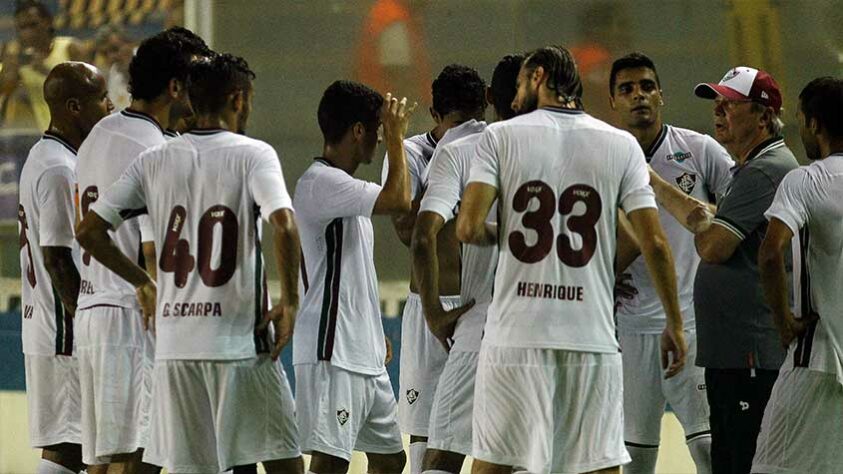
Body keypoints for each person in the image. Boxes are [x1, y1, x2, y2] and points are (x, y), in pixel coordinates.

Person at [456, 45, 687, 474]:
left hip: (515, 337)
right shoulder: (620, 145)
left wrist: (507, 235)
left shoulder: (500, 137)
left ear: (539, 77)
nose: (515, 96)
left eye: (522, 83)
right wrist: (673, 322)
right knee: (598, 465)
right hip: (591, 340)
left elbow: (467, 228)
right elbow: (652, 241)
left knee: (494, 465)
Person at [75, 52, 304, 474]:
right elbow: (285, 224)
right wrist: (290, 303)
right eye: (249, 98)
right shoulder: (253, 154)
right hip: (238, 345)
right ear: (238, 99)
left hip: (176, 348)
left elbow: (88, 230)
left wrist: (142, 281)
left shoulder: (154, 159)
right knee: (283, 462)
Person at [73, 27, 210, 474]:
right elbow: (154, 245)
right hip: (133, 316)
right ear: (174, 87)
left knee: (105, 460)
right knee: (138, 457)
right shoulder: (155, 149)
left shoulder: (100, 133)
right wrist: (147, 284)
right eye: (194, 81)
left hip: (94, 309)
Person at [608, 52, 734, 474]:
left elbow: (741, 215)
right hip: (627, 330)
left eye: (646, 86)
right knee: (635, 461)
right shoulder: (602, 158)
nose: (638, 96)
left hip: (692, 324)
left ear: (661, 94)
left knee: (708, 450)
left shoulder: (699, 150)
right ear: (613, 102)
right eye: (626, 89)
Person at [668, 66, 798, 474]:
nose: (719, 111)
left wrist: (652, 184)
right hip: (737, 353)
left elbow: (713, 247)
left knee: (742, 460)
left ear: (762, 115)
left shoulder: (763, 169)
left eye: (731, 104)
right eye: (717, 103)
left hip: (750, 355)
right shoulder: (752, 168)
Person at [292, 81, 413, 474]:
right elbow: (399, 199)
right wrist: (399, 139)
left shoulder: (345, 190)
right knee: (330, 463)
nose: (380, 140)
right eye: (377, 131)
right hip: (333, 352)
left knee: (391, 460)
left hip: (362, 350)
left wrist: (373, 330)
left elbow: (352, 273)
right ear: (358, 131)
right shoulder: (320, 182)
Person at [411, 53, 521, 474]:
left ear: (493, 97)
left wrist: (435, 313)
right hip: (545, 324)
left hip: (482, 325)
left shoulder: (461, 149)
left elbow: (423, 235)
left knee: (442, 455)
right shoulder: (560, 149)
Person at [383, 63, 487, 474]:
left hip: (476, 306)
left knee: (489, 435)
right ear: (435, 118)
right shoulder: (411, 152)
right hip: (431, 306)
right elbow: (408, 232)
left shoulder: (495, 145)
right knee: (426, 442)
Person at [18, 61, 111, 474]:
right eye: (101, 99)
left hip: (48, 328)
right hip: (63, 331)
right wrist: (84, 322)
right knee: (74, 447)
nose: (110, 107)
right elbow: (57, 256)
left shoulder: (49, 157)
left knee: (71, 448)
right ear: (75, 107)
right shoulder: (59, 167)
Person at [753, 77, 843, 474]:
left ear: (815, 125)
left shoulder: (805, 180)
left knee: (773, 466)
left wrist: (783, 323)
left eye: (801, 119)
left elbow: (771, 254)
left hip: (818, 357)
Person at [0, 1, 84, 129]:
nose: (28, 32)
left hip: (78, 127)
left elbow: (88, 89)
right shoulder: (18, 58)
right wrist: (11, 70)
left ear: (48, 22)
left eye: (33, 25)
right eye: (22, 27)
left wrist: (44, 70)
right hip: (45, 132)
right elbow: (6, 91)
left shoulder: (70, 48)